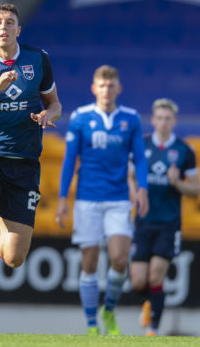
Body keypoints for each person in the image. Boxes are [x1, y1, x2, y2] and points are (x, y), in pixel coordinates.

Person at [0, 3, 62, 334]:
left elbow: (55, 103)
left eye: (10, 22)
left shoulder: (38, 59)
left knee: (14, 258)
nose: (4, 26)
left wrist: (50, 116)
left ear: (19, 30)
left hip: (25, 162)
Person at [56, 65, 149, 336]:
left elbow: (140, 158)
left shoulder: (130, 119)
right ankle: (92, 324)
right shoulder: (81, 118)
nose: (106, 90)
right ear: (93, 88)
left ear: (118, 89)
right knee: (90, 261)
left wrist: (141, 188)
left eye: (111, 86)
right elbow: (70, 160)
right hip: (87, 199)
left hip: (119, 198)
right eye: (102, 85)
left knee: (120, 259)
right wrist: (63, 197)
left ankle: (108, 310)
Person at [129, 98, 200, 336]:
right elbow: (129, 176)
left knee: (156, 273)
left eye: (167, 118)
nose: (162, 122)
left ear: (174, 121)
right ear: (153, 119)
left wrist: (177, 182)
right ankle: (149, 303)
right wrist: (136, 194)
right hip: (143, 221)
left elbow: (196, 190)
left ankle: (153, 330)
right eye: (159, 118)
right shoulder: (141, 145)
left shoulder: (184, 151)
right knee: (138, 281)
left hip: (168, 223)